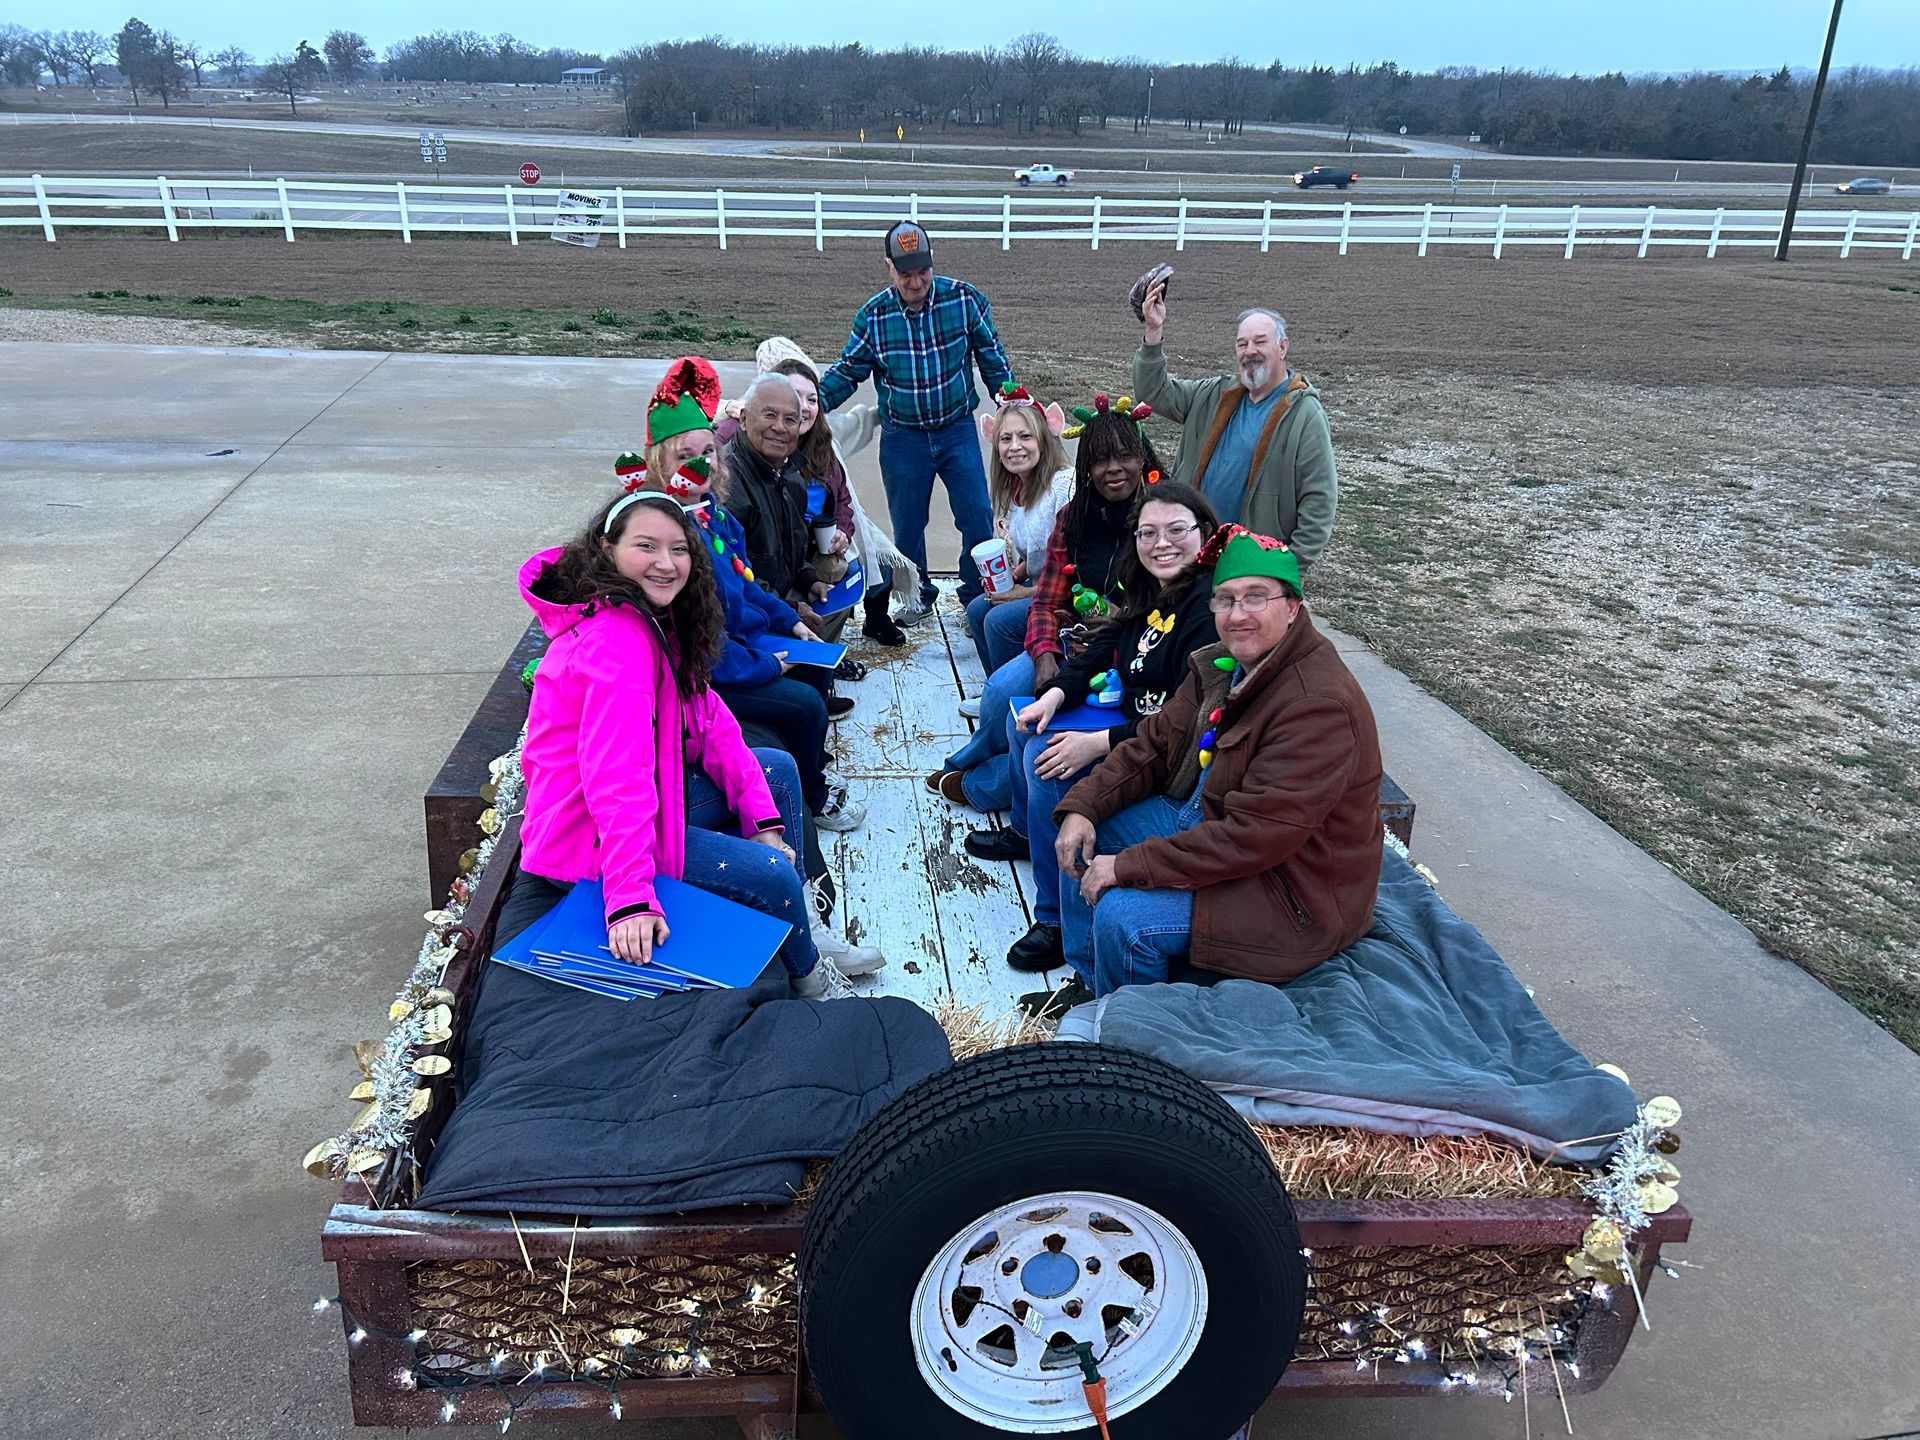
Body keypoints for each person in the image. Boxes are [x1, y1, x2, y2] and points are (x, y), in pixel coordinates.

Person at [513, 489, 879, 1000]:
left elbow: (712, 723)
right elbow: (616, 781)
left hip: (640, 801)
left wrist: (763, 823)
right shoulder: (615, 645)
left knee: (774, 768)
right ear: (607, 548)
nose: (666, 563)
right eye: (647, 546)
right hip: (585, 841)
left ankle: (806, 919)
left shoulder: (654, 618)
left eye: (679, 548)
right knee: (770, 874)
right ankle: (813, 981)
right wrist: (629, 899)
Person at [1051, 525, 1385, 1002]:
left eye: (1255, 598)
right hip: (1211, 824)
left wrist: (1128, 866)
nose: (1237, 615)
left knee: (1125, 918)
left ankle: (1130, 1047)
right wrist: (1083, 806)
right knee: (1078, 841)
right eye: (1225, 600)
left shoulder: (1318, 705)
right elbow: (1153, 742)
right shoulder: (1222, 665)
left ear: (1292, 607)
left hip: (1291, 890)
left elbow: (1255, 838)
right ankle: (1092, 985)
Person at [971, 482, 1220, 985]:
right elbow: (1104, 640)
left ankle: (1060, 926)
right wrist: (1057, 693)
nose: (1161, 543)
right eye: (1148, 533)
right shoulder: (1152, 588)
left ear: (1205, 534)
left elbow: (1184, 724)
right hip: (1133, 726)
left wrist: (1098, 743)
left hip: (1173, 760)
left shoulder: (1209, 609)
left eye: (1177, 530)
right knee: (1027, 727)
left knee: (1047, 761)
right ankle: (1034, 850)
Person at [621, 360, 867, 835]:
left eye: (708, 452)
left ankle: (809, 767)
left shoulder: (711, 516)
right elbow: (699, 638)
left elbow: (747, 581)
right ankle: (813, 799)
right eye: (685, 456)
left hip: (742, 646)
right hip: (712, 674)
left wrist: (788, 620)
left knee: (815, 666)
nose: (703, 465)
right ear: (657, 464)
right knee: (806, 704)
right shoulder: (671, 537)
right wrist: (768, 664)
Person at [927, 401, 1160, 814]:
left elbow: (1167, 608)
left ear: (1142, 457)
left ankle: (985, 787)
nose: (1113, 469)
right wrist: (1046, 655)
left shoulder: (1163, 518)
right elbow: (1049, 598)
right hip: (1074, 642)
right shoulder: (1075, 516)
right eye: (1100, 459)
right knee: (1001, 691)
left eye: (1124, 456)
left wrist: (1117, 627)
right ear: (1085, 465)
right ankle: (971, 760)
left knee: (1041, 740)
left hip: (1132, 654)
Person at [817, 219, 1014, 611]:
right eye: (906, 273)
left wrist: (1015, 405)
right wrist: (808, 403)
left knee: (976, 516)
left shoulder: (965, 300)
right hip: (902, 438)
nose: (916, 281)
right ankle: (916, 594)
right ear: (889, 267)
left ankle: (976, 595)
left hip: (957, 429)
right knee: (907, 527)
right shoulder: (873, 316)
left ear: (932, 261)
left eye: (923, 270)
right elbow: (847, 372)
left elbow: (994, 362)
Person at [716, 337, 921, 651]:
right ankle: (807, 662)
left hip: (806, 549)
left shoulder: (819, 445)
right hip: (765, 573)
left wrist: (839, 533)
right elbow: (735, 566)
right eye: (789, 401)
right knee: (840, 576)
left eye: (810, 400)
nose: (798, 410)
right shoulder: (736, 457)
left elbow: (841, 498)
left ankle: (835, 648)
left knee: (867, 563)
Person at [1130, 273, 1338, 566]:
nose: (1249, 351)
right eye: (1242, 344)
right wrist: (1154, 331)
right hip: (1192, 550)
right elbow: (1154, 392)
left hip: (1252, 561)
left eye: (1259, 342)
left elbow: (1320, 498)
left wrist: (1292, 564)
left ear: (1283, 347)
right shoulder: (1214, 394)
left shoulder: (1304, 414)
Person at [961, 384, 1072, 695]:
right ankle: (996, 689)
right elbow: (1037, 554)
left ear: (1045, 439)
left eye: (1025, 436)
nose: (1015, 446)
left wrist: (1020, 594)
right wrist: (1012, 575)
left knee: (999, 620)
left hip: (1068, 595)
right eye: (1006, 438)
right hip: (1040, 586)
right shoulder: (1017, 490)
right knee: (977, 609)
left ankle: (1016, 699)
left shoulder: (1063, 486)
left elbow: (1075, 567)